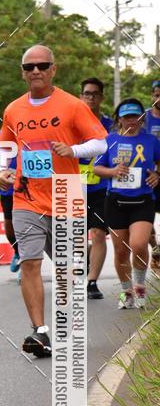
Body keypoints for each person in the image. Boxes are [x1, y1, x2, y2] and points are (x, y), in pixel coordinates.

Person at [0, 45, 108, 358]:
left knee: (67, 268)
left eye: (42, 66)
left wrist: (72, 152)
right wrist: (3, 170)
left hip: (66, 192)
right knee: (30, 263)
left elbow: (99, 142)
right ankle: (40, 331)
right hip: (26, 196)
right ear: (22, 71)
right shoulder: (13, 109)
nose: (36, 71)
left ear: (53, 69)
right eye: (29, 66)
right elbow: (3, 147)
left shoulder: (72, 106)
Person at [93, 98, 160, 309]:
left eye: (135, 116)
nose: (131, 120)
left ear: (142, 118)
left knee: (139, 243)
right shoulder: (109, 140)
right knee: (121, 250)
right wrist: (112, 172)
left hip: (143, 201)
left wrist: (157, 174)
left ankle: (139, 285)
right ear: (119, 119)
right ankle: (126, 290)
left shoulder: (151, 141)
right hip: (115, 202)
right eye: (126, 116)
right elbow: (97, 168)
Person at [79, 77, 114, 299]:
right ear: (80, 96)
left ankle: (92, 283)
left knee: (99, 234)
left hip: (102, 188)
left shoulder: (110, 126)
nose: (91, 97)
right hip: (75, 186)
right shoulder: (71, 122)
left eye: (95, 94)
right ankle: (87, 261)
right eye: (86, 93)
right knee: (76, 238)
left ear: (101, 97)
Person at [0, 130, 20, 276]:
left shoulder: (36, 128)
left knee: (31, 228)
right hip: (9, 189)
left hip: (31, 188)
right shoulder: (2, 134)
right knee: (10, 228)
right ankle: (17, 251)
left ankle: (28, 261)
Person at [144, 79, 160, 269]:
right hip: (148, 176)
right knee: (146, 219)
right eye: (156, 95)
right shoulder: (144, 117)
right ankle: (156, 249)